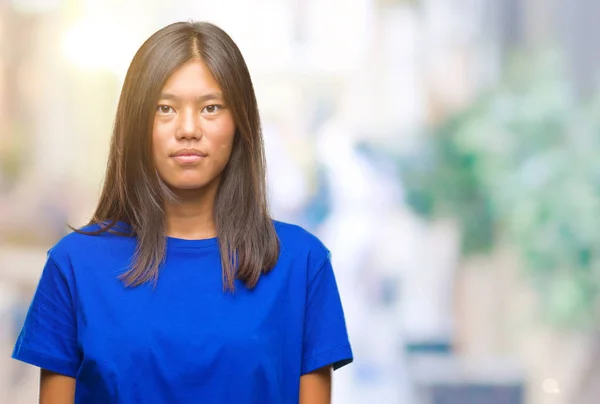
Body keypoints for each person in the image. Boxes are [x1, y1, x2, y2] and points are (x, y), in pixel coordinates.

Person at [12, 21, 353, 404]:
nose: (188, 129)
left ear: (239, 122)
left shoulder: (302, 263)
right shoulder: (73, 265)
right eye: (165, 108)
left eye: (210, 107)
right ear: (137, 122)